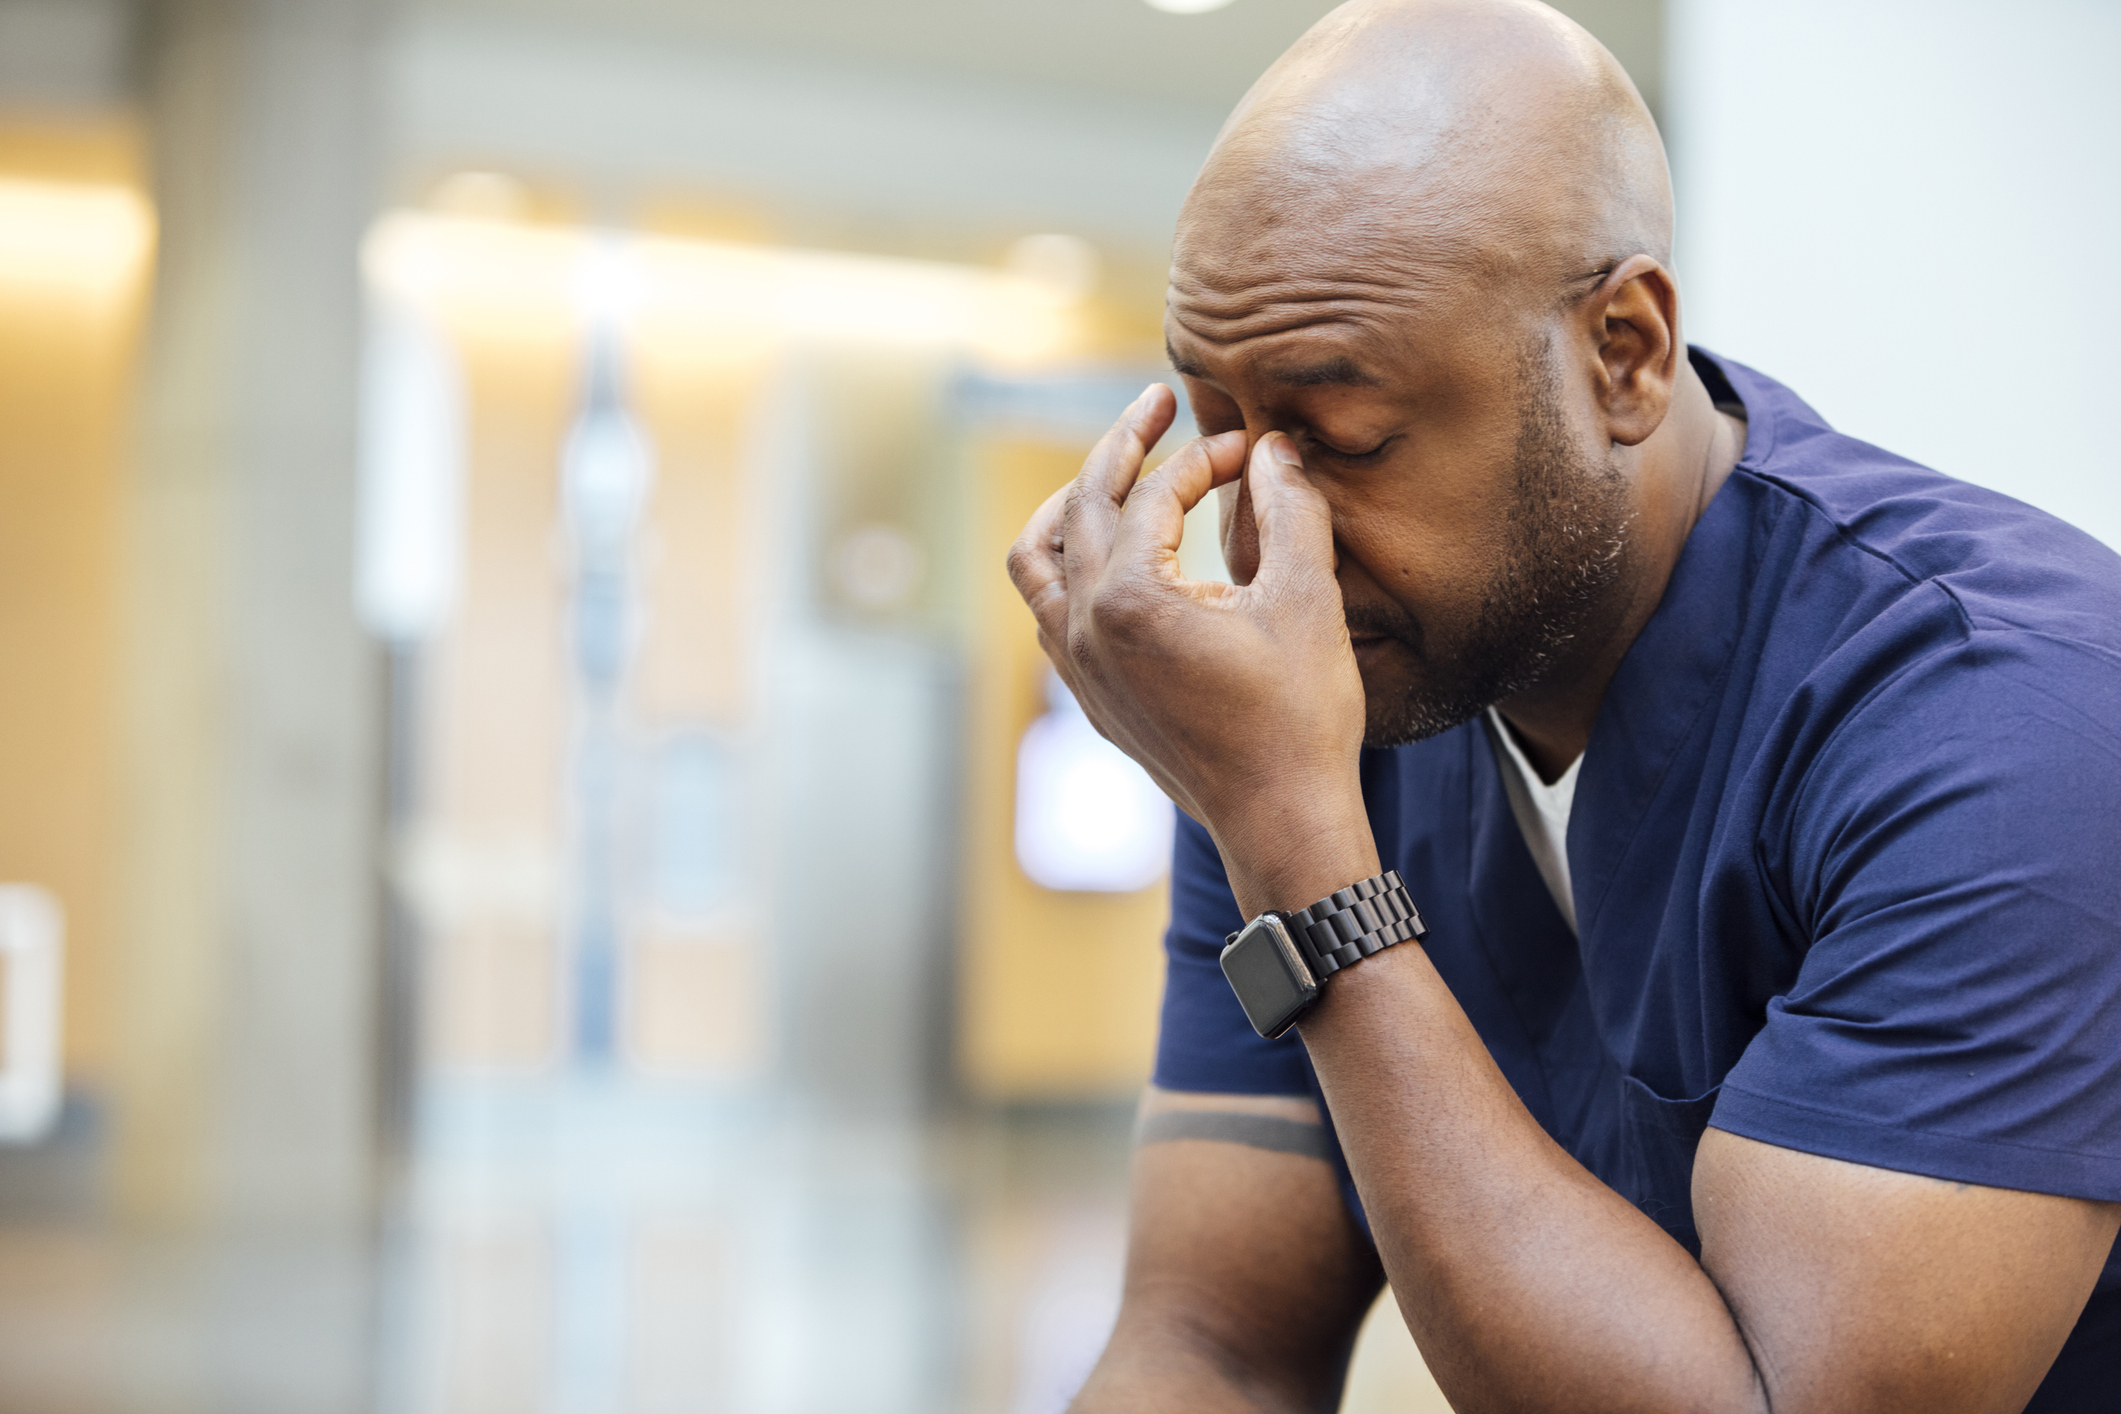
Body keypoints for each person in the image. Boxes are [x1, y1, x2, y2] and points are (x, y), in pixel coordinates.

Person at [1004, 1, 2121, 1410]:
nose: (1259, 543)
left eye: (1343, 441)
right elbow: (1214, 1342)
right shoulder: (1317, 697)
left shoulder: (2007, 718)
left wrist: (1301, 851)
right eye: (1223, 431)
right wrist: (1274, 807)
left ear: (1624, 354)